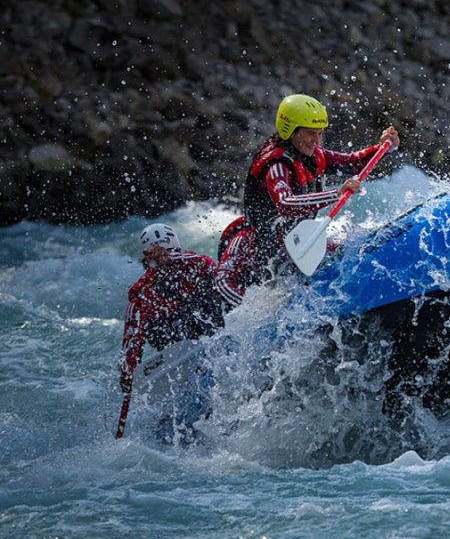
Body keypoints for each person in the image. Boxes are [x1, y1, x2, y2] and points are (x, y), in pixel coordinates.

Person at [218, 93, 400, 306]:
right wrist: (335, 194)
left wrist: (383, 148)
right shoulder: (277, 165)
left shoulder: (314, 155)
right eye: (310, 134)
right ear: (290, 131)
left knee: (352, 247)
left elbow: (352, 163)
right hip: (265, 250)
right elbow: (285, 204)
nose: (316, 140)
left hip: (297, 244)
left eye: (320, 134)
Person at [117, 223, 224, 398]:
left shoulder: (198, 267)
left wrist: (169, 258)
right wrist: (128, 375)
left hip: (216, 350)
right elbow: (128, 358)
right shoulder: (140, 300)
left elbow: (214, 272)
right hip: (180, 371)